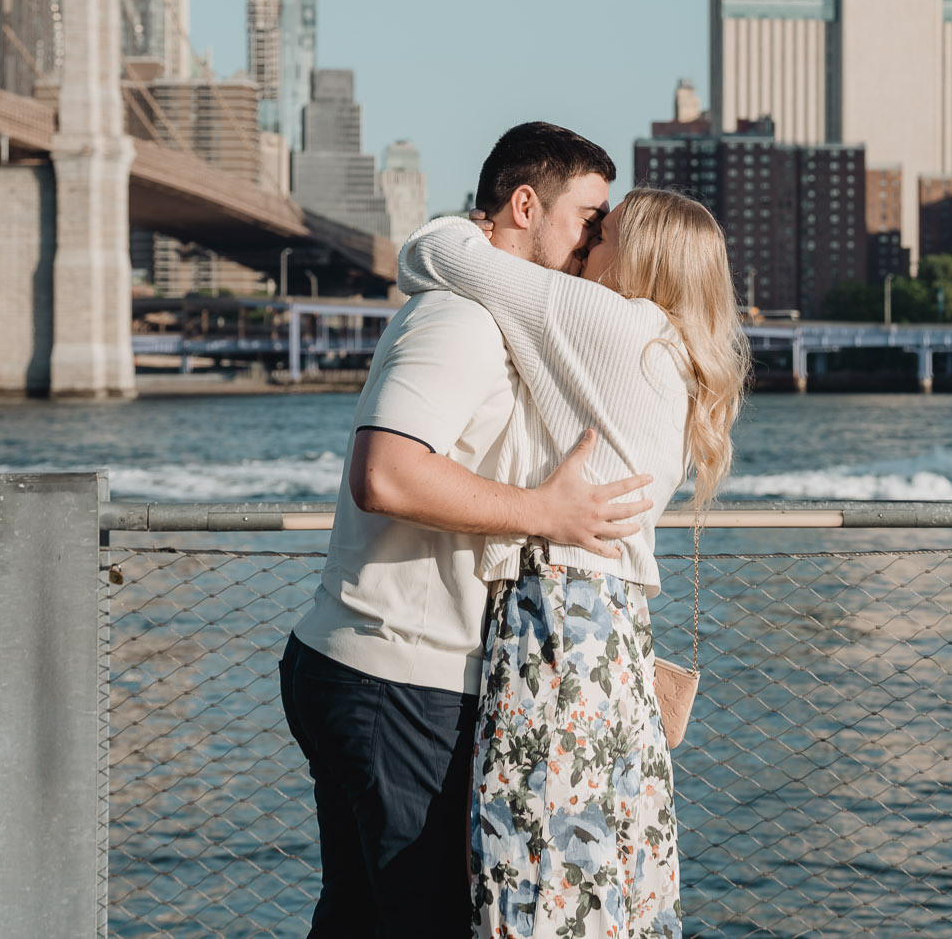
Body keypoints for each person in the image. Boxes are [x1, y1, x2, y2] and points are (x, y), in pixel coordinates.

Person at [280, 122, 652, 938]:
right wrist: (545, 513)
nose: (594, 241)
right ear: (526, 204)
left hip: (372, 667)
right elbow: (384, 471)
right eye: (587, 218)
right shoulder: (461, 320)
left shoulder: (487, 313)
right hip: (396, 675)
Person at [394, 188, 749, 938]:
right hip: (616, 634)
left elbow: (429, 253)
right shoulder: (674, 356)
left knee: (532, 864)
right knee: (612, 870)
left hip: (555, 623)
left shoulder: (607, 321)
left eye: (602, 232)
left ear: (641, 257)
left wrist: (477, 219)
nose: (585, 246)